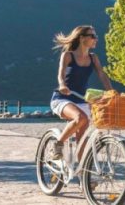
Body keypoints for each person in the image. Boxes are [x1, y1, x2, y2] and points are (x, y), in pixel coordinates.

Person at [49, 25, 113, 160]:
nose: (96, 39)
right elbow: (60, 74)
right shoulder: (68, 55)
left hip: (81, 100)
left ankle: (82, 175)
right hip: (63, 98)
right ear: (82, 38)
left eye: (96, 36)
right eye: (93, 36)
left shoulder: (93, 57)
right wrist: (62, 85)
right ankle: (59, 143)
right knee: (81, 118)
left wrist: (111, 92)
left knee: (82, 139)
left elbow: (102, 74)